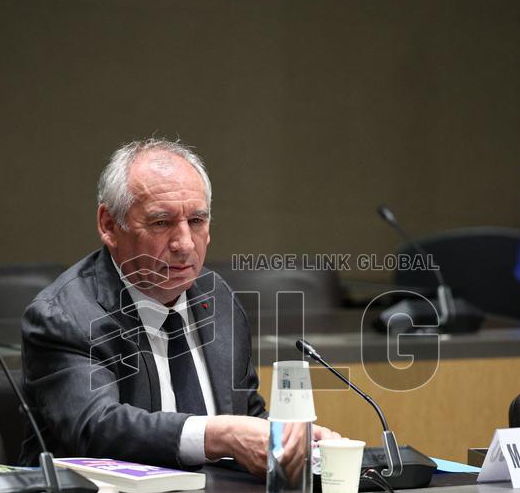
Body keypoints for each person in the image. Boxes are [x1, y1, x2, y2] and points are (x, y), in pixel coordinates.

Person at [20, 138, 338, 475]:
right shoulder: (65, 316)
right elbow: (97, 429)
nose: (184, 244)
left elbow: (244, 411)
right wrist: (220, 435)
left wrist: (288, 439)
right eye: (161, 223)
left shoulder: (218, 298)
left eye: (197, 221)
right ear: (109, 225)